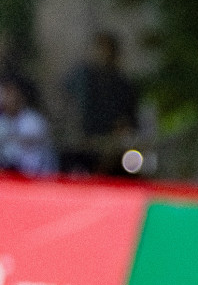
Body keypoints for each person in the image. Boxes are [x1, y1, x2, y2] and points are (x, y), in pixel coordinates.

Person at [61, 32, 140, 175]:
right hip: (86, 145)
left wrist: (120, 133)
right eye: (100, 49)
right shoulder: (84, 80)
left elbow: (129, 121)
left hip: (114, 148)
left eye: (107, 50)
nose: (103, 55)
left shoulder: (122, 84)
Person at [0, 76, 56, 177]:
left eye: (9, 94)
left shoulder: (33, 120)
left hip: (36, 177)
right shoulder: (2, 120)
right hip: (9, 175)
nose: (5, 99)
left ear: (20, 97)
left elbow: (31, 140)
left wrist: (11, 138)